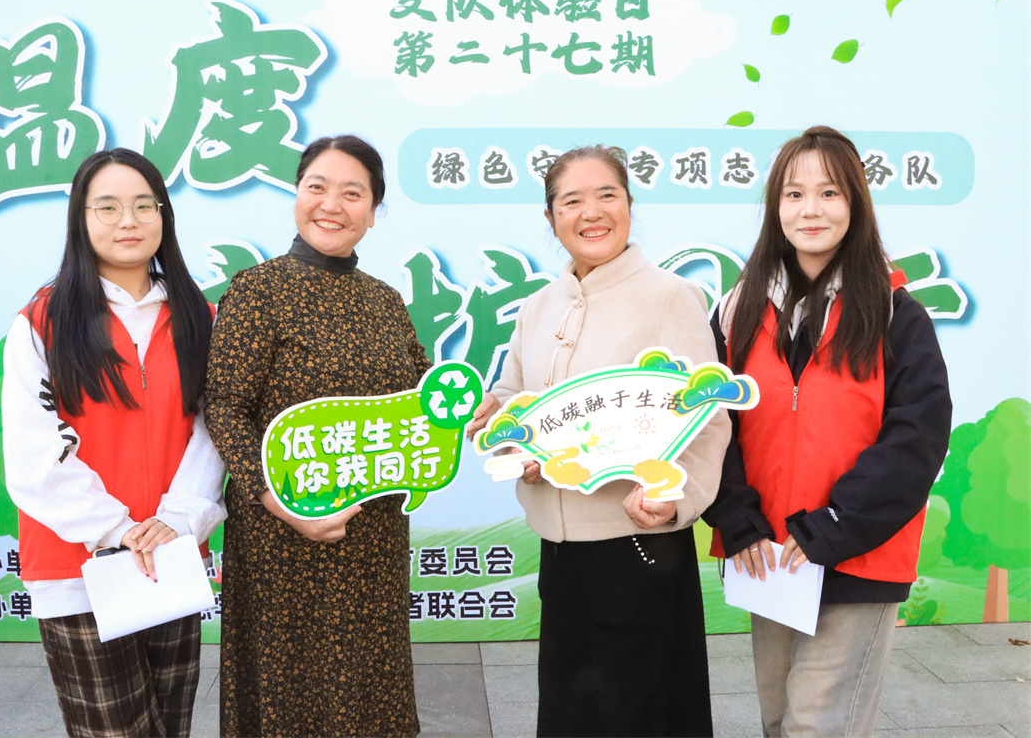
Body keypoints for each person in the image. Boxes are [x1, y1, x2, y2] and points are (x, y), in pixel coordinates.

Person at [468, 145, 729, 738]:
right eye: (571, 201)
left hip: (637, 547)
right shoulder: (538, 306)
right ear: (551, 217)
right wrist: (506, 431)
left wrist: (675, 499)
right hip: (561, 554)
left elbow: (707, 417)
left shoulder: (669, 297)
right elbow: (514, 396)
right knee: (572, 716)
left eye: (607, 195)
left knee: (644, 716)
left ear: (630, 205)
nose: (591, 212)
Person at [703, 126, 952, 737]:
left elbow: (917, 438)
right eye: (794, 194)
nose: (810, 209)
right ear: (775, 207)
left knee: (817, 726)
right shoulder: (737, 311)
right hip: (769, 555)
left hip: (859, 553)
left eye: (829, 193)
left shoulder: (895, 313)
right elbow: (709, 423)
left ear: (855, 204)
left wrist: (836, 523)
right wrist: (736, 517)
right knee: (777, 721)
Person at [205, 135, 429, 738]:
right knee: (290, 696)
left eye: (352, 193)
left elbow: (422, 392)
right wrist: (276, 500)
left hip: (373, 534)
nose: (332, 205)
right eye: (317, 187)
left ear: (373, 211)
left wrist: (468, 405)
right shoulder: (257, 290)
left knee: (369, 689)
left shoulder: (385, 301)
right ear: (297, 195)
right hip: (281, 535)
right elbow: (224, 405)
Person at [3, 148, 226, 738]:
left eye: (143, 206)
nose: (128, 220)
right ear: (81, 217)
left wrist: (178, 519)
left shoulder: (200, 317)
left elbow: (213, 431)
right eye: (107, 206)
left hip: (171, 554)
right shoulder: (41, 321)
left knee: (170, 726)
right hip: (77, 567)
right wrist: (116, 528)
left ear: (164, 215)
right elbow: (31, 450)